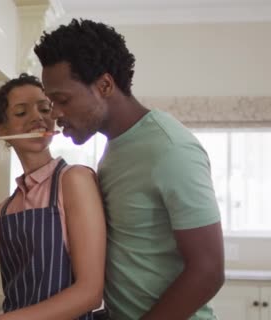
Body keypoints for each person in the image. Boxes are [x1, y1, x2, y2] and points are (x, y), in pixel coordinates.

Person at [33, 19, 225, 320]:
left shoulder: (170, 149)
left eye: (63, 100)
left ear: (105, 85)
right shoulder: (115, 150)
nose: (55, 114)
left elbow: (209, 271)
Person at [0, 73, 106, 319]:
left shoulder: (74, 180)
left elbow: (90, 292)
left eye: (45, 108)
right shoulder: (5, 210)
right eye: (21, 113)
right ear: (2, 129)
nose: (38, 117)